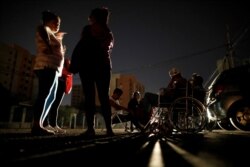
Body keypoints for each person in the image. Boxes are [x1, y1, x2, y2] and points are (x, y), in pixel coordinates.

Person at [69, 7, 114, 137]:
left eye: (91, 16)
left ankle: (90, 129)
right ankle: (109, 130)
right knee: (104, 97)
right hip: (103, 66)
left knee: (89, 97)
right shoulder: (108, 33)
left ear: (94, 17)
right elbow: (106, 49)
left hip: (87, 67)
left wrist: (74, 65)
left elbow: (81, 47)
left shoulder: (87, 29)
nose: (89, 19)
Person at [32, 10, 66, 135]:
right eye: (55, 23)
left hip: (54, 69)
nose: (58, 25)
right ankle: (37, 125)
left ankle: (40, 124)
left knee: (49, 97)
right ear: (48, 22)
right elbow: (41, 29)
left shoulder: (52, 33)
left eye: (59, 23)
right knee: (43, 96)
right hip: (46, 67)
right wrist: (48, 45)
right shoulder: (44, 28)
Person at [43, 58, 73, 134]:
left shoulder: (67, 61)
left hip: (63, 82)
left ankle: (53, 124)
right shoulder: (56, 58)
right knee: (48, 102)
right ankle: (45, 123)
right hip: (56, 79)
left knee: (56, 105)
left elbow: (71, 71)